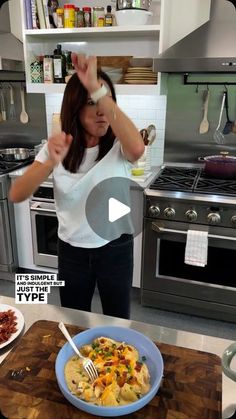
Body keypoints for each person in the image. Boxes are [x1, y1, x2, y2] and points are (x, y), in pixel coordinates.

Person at [9, 54, 144, 319]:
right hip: (72, 252)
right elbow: (17, 194)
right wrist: (50, 162)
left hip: (115, 249)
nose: (102, 112)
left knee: (117, 320)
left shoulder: (119, 146)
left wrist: (95, 87)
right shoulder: (59, 146)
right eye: (91, 103)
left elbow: (138, 147)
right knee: (74, 320)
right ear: (75, 108)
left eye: (106, 100)